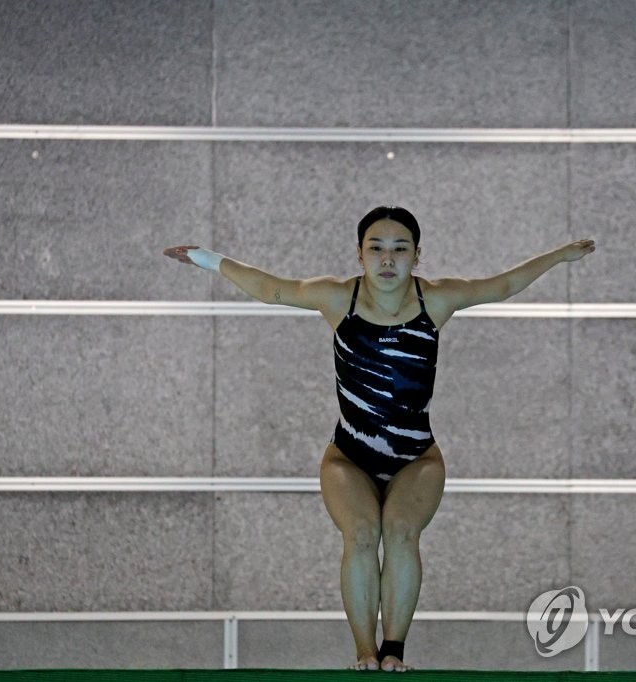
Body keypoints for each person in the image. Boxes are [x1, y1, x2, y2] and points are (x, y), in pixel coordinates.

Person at [164, 206, 595, 672]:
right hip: (348, 458)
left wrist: (559, 256)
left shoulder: (437, 301)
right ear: (360, 254)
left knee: (402, 532)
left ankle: (394, 650)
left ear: (416, 256)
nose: (387, 259)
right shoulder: (337, 299)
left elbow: (503, 285)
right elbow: (271, 289)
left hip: (418, 459)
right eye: (376, 248)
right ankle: (364, 652)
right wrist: (207, 258)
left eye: (399, 249)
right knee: (363, 534)